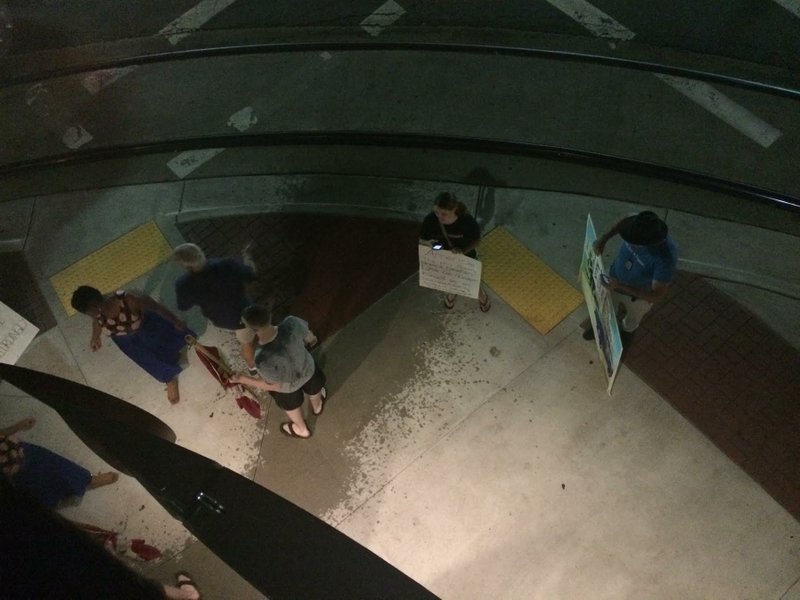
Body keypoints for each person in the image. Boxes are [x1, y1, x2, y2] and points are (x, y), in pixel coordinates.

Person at [71, 286, 193, 404]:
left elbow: (154, 306)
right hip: (128, 342)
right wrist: (95, 337)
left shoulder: (126, 301)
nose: (91, 316)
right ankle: (169, 378)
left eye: (89, 313)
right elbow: (97, 322)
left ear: (94, 307)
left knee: (162, 346)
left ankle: (171, 366)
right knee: (151, 362)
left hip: (146, 330)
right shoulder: (98, 314)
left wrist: (175, 321)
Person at [229, 304, 327, 440]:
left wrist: (242, 379)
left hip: (288, 388)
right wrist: (310, 339)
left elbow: (274, 386)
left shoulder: (262, 357)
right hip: (308, 370)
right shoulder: (291, 322)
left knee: (291, 406)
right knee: (315, 390)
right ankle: (317, 407)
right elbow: (307, 334)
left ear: (251, 329)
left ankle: (302, 429)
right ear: (269, 315)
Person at [582, 210, 678, 344]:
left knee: (632, 318)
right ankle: (602, 327)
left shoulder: (665, 259)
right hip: (614, 278)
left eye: (633, 241)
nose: (628, 241)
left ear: (648, 241)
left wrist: (620, 286)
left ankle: (627, 333)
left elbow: (657, 296)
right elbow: (623, 221)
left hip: (637, 298)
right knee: (606, 306)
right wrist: (604, 238)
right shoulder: (634, 222)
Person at [173, 242, 259, 376]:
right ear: (201, 252)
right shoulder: (227, 264)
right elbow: (251, 274)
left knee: (244, 337)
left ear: (185, 265)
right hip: (244, 313)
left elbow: (184, 306)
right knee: (247, 341)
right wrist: (247, 256)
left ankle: (252, 367)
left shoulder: (183, 285)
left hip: (220, 319)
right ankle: (252, 365)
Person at [0, 417, 118, 509]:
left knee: (57, 465)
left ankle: (87, 480)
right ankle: (60, 498)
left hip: (21, 451)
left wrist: (18, 426)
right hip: (11, 472)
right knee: (35, 486)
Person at [419, 191, 491, 312]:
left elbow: (477, 240)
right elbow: (422, 239)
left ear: (455, 210)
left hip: (466, 255)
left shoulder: (467, 221)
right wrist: (431, 245)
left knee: (471, 279)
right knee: (449, 278)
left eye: (444, 214)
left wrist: (463, 251)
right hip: (442, 254)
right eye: (436, 212)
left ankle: (481, 295)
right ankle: (453, 292)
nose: (439, 217)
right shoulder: (430, 219)